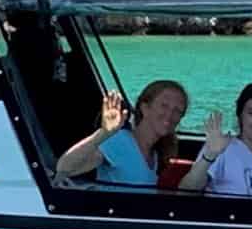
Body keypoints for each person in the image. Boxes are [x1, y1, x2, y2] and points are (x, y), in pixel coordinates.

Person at [55, 78, 193, 188]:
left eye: (178, 111)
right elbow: (64, 168)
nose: (170, 114)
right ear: (145, 108)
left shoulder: (155, 155)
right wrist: (104, 133)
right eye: (164, 106)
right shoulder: (120, 141)